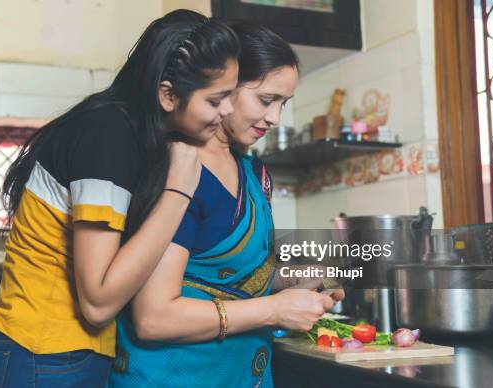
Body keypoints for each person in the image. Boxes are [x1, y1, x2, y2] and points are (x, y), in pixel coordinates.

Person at [0, 10, 240, 388]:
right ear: (167, 95)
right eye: (216, 100)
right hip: (41, 355)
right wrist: (179, 192)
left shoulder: (129, 136)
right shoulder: (109, 137)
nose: (227, 111)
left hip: (63, 356)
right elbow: (98, 302)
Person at [109, 22, 344, 388]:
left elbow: (216, 273)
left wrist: (294, 278)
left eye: (283, 104)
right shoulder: (180, 172)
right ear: (226, 85)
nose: (275, 118)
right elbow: (154, 317)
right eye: (266, 100)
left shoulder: (253, 174)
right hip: (173, 377)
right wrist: (275, 309)